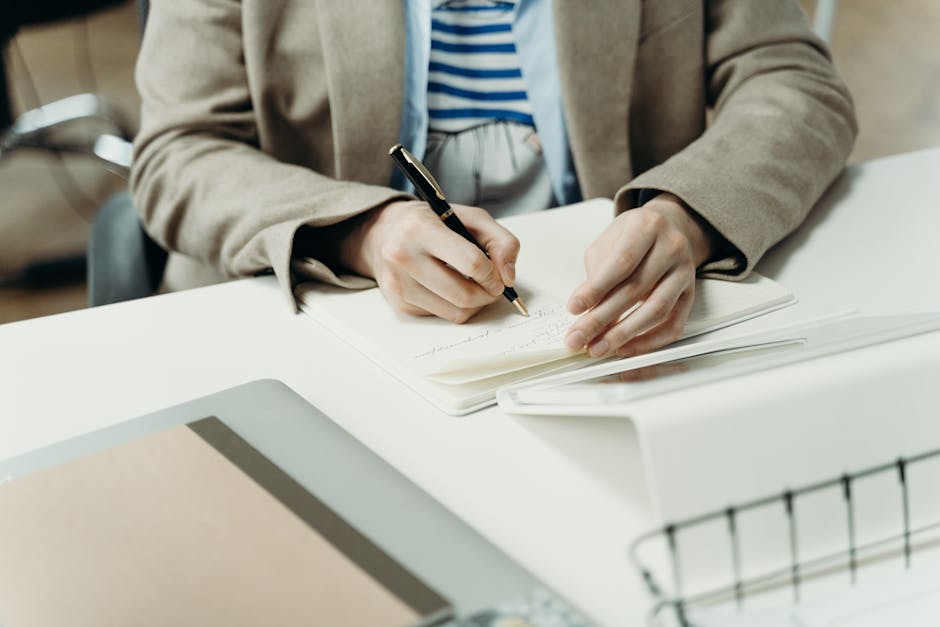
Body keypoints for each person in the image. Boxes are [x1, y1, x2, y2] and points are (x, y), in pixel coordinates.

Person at [131, 0, 856, 359]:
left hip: (604, 343)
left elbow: (791, 79)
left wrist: (688, 214)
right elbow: (179, 150)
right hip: (323, 340)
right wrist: (362, 230)